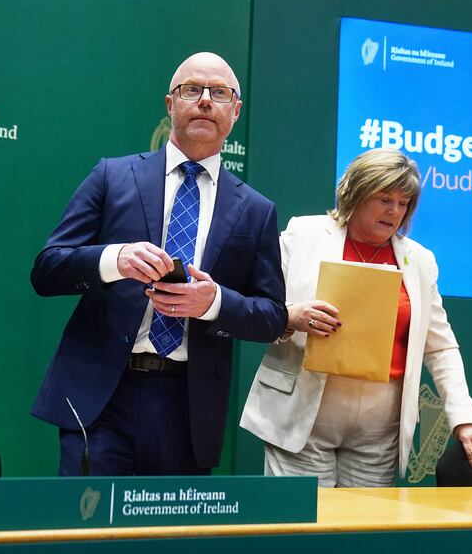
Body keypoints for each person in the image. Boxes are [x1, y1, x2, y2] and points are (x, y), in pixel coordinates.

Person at [31, 52, 287, 476]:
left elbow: (273, 316)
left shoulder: (256, 210)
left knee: (169, 541)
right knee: (88, 536)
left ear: (235, 111)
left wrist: (213, 303)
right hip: (101, 396)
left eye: (219, 92)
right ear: (171, 105)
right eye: (192, 90)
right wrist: (115, 259)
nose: (205, 100)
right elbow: (47, 269)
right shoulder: (112, 176)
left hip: (187, 406)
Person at [240, 148, 472, 487]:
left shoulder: (420, 261)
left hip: (379, 429)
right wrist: (291, 317)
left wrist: (464, 418)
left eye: (404, 203)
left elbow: (441, 348)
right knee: (303, 533)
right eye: (385, 198)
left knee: (363, 533)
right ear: (356, 193)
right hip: (302, 414)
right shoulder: (304, 234)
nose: (395, 211)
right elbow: (257, 308)